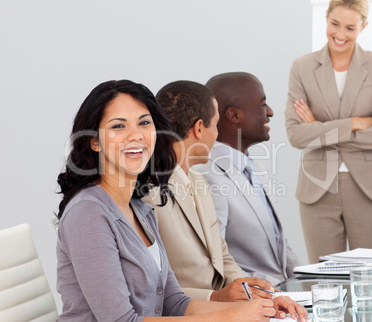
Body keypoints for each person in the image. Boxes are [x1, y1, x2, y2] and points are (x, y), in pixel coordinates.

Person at [56, 79, 308, 321]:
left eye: (144, 123)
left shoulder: (140, 208)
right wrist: (231, 316)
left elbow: (173, 301)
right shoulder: (88, 212)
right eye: (118, 126)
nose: (136, 135)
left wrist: (260, 306)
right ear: (94, 142)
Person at [143, 80, 293, 303]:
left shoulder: (198, 182)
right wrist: (216, 298)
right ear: (199, 128)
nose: (217, 134)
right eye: (215, 125)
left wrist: (251, 292)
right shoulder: (148, 192)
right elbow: (151, 283)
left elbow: (222, 254)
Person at [285, 0, 372, 263]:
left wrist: (318, 129)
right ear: (326, 18)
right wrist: (353, 123)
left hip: (369, 187)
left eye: (350, 28)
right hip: (318, 188)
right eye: (335, 24)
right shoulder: (302, 67)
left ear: (363, 27)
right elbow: (295, 135)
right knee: (324, 284)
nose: (340, 34)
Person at [196, 72, 300, 286]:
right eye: (262, 105)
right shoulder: (207, 174)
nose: (270, 113)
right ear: (234, 115)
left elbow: (280, 245)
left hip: (285, 293)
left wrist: (305, 282)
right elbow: (216, 262)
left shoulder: (255, 165)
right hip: (254, 298)